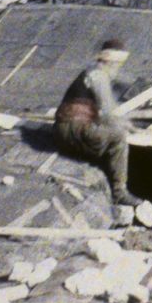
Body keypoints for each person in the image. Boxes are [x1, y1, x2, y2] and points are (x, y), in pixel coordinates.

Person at [55, 38, 133, 206]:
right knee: (119, 138)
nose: (118, 68)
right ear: (111, 61)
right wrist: (128, 126)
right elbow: (108, 111)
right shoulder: (98, 75)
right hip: (74, 129)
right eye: (118, 64)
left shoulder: (89, 73)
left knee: (106, 134)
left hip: (65, 128)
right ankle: (119, 192)